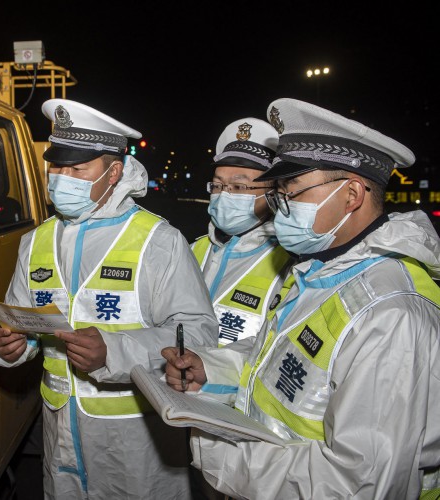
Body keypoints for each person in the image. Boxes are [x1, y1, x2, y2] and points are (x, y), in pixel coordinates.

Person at [162, 97, 440, 499]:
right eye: (276, 194)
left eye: (292, 192)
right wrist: (212, 366)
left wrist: (221, 454)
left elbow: (360, 484)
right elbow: (276, 359)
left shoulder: (392, 314)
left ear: (352, 195)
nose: (279, 211)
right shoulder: (320, 271)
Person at [0, 98, 218, 499]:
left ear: (114, 172)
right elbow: (23, 321)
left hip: (136, 441)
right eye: (57, 166)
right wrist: (15, 345)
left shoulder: (157, 240)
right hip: (60, 433)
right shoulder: (35, 240)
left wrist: (113, 351)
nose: (63, 178)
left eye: (78, 169)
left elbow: (197, 334)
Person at [193, 117, 293, 348]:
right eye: (217, 186)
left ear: (273, 193)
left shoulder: (289, 265)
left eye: (239, 187)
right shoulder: (192, 250)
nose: (224, 195)